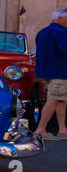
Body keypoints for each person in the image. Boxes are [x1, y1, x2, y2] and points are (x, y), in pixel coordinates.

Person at [33, 8, 67, 140]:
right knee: (53, 100)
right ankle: (40, 129)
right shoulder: (60, 32)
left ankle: (62, 129)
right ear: (59, 18)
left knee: (61, 100)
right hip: (60, 72)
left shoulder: (42, 32)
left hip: (46, 72)